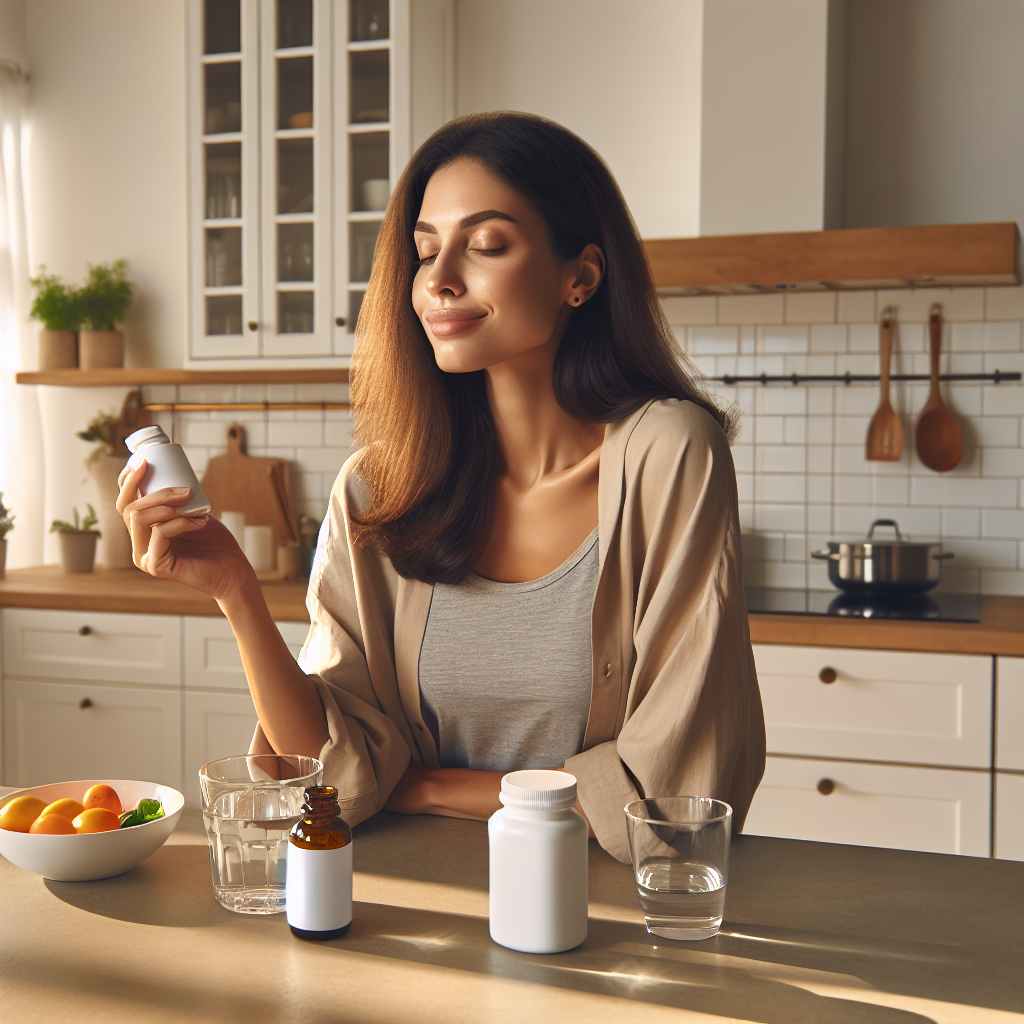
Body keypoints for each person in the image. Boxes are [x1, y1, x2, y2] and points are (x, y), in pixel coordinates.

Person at [117, 112, 764, 862]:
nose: (440, 279)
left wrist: (423, 787)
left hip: (605, 915)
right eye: (425, 252)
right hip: (412, 907)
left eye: (486, 244)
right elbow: (334, 777)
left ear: (580, 276)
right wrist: (234, 588)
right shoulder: (379, 488)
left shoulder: (670, 451)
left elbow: (670, 793)